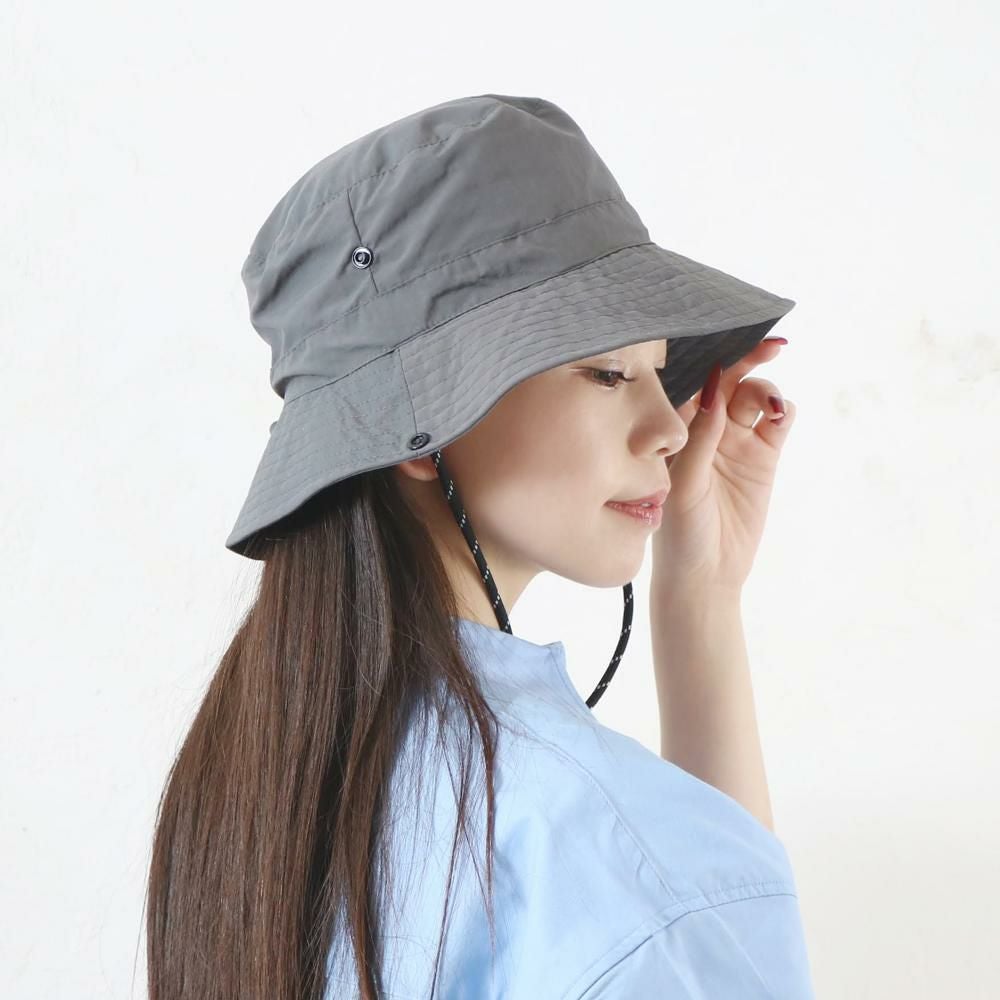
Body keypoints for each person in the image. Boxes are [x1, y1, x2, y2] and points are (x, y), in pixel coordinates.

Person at [145, 93, 814, 999]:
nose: (669, 428)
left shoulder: (253, 790)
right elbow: (686, 909)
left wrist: (700, 591)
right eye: (607, 372)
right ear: (422, 429)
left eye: (660, 374)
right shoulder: (576, 831)